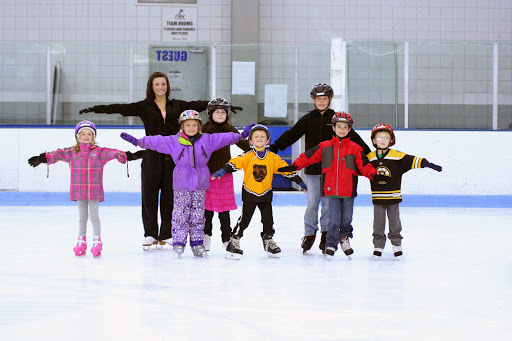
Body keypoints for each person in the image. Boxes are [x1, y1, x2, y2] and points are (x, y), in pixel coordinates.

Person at [78, 72, 241, 251]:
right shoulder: (143, 106)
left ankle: (166, 234)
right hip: (151, 156)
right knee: (149, 195)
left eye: (163, 84)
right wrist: (94, 108)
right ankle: (150, 234)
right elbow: (121, 108)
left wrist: (220, 106)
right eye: (157, 84)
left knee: (170, 197)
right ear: (151, 86)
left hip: (174, 157)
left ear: (167, 86)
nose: (161, 87)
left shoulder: (176, 105)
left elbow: (197, 105)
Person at [120, 110, 254, 258]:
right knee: (180, 214)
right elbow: (156, 141)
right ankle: (178, 241)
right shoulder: (173, 141)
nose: (191, 128)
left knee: (198, 215)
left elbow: (223, 138)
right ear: (182, 127)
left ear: (199, 126)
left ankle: (197, 243)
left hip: (200, 184)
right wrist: (138, 141)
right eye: (187, 125)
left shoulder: (207, 140)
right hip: (181, 184)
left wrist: (240, 136)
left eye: (194, 125)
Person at [268, 83, 371, 254]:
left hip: (333, 171)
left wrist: (371, 157)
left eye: (324, 99)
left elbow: (355, 140)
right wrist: (275, 147)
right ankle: (309, 234)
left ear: (329, 100)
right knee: (312, 204)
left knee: (329, 206)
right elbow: (293, 133)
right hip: (313, 169)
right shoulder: (308, 119)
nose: (321, 102)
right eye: (318, 99)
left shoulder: (336, 119)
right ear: (313, 101)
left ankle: (326, 234)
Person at [27, 120, 145, 257]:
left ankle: (97, 241)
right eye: (83, 134)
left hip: (94, 190)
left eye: (89, 134)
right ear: (78, 136)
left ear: (93, 137)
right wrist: (42, 158)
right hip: (79, 190)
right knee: (82, 217)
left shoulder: (100, 152)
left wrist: (131, 156)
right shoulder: (71, 152)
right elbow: (58, 154)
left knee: (94, 216)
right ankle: (81, 241)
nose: (86, 136)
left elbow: (114, 152)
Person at [278, 112, 376, 259]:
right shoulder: (325, 147)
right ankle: (330, 244)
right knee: (333, 219)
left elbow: (364, 165)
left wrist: (375, 175)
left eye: (345, 127)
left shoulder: (355, 148)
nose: (342, 130)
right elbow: (308, 157)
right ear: (334, 128)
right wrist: (295, 166)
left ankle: (344, 238)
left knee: (347, 219)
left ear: (349, 130)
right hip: (331, 191)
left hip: (348, 191)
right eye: (339, 127)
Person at [212, 124, 307, 260]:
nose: (259, 138)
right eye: (256, 136)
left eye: (262, 136)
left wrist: (300, 182)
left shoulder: (273, 158)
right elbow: (234, 163)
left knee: (268, 220)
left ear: (268, 141)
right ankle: (234, 241)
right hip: (249, 193)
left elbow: (286, 170)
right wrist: (223, 170)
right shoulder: (247, 156)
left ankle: (268, 241)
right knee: (245, 219)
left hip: (266, 193)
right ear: (250, 141)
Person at [368, 124, 443, 259]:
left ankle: (396, 243)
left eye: (386, 137)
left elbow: (413, 160)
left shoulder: (397, 156)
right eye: (379, 137)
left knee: (394, 222)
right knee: (378, 223)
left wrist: (427, 163)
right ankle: (378, 245)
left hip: (393, 196)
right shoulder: (370, 157)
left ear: (391, 140)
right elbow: (359, 167)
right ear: (374, 140)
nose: (383, 140)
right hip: (378, 197)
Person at [201, 97, 251, 252]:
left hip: (224, 175)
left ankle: (226, 239)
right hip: (206, 174)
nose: (220, 114)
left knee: (224, 211)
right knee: (207, 210)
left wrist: (255, 150)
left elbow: (244, 145)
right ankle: (205, 237)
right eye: (217, 112)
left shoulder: (230, 129)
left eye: (223, 112)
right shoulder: (204, 128)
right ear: (211, 113)